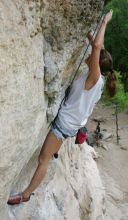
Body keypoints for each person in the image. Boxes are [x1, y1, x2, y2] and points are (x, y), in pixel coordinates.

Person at [7, 10, 116, 205]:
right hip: (70, 123)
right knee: (47, 155)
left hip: (64, 125)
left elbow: (98, 48)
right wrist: (91, 37)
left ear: (96, 65)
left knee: (43, 159)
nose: (92, 52)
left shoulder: (95, 78)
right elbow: (98, 48)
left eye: (93, 54)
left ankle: (26, 195)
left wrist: (105, 22)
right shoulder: (97, 77)